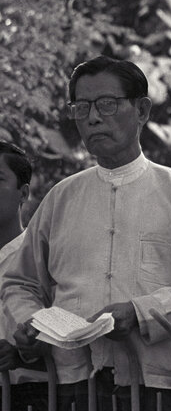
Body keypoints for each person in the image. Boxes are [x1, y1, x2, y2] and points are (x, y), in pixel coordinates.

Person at [1, 56, 171, 411]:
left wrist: (143, 312)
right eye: (81, 108)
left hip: (156, 382)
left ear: (141, 110)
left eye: (107, 104)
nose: (94, 117)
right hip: (72, 381)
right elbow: (21, 284)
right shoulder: (61, 198)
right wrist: (34, 326)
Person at [0, 141, 48, 410]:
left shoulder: (42, 256)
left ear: (24, 193)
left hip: (32, 396)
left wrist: (21, 357)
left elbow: (71, 346)